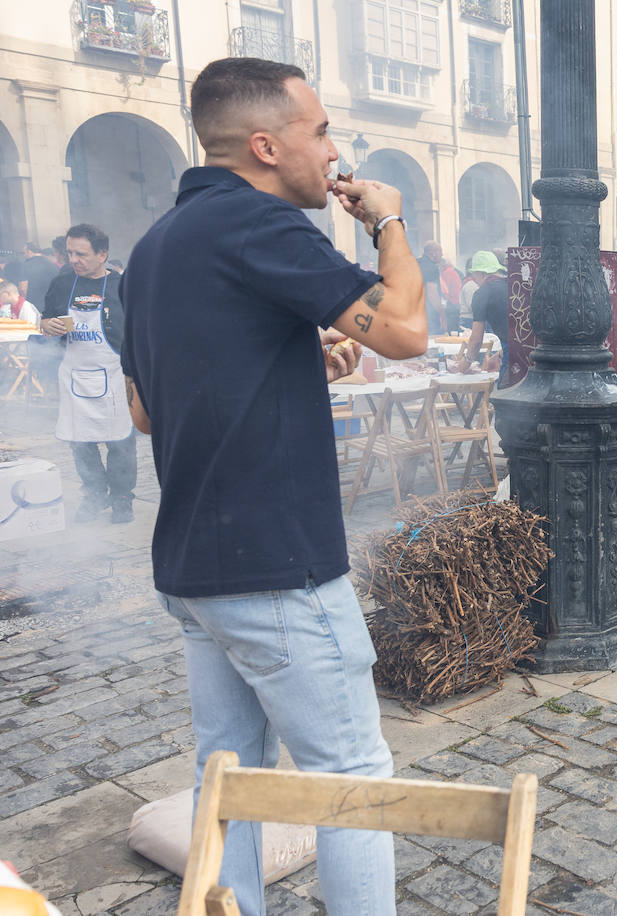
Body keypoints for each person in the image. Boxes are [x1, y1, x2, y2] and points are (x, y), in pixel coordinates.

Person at [120, 56, 427, 916]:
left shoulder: (151, 251)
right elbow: (404, 328)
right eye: (320, 130)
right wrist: (389, 224)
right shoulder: (262, 226)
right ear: (264, 145)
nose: (334, 149)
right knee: (353, 782)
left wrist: (289, 364)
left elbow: (150, 410)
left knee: (227, 778)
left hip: (194, 568)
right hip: (277, 564)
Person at [37, 224, 137, 524]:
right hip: (74, 373)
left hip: (115, 373)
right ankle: (94, 493)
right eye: (69, 253)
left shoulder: (123, 285)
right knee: (80, 441)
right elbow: (47, 319)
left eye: (81, 254)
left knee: (121, 441)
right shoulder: (62, 283)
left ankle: (121, 498)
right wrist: (47, 326)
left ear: (102, 254)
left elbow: (139, 332)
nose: (73, 260)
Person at [457, 250, 509, 378]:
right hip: (530, 350)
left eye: (474, 276)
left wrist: (465, 363)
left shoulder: (482, 293)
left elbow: (476, 340)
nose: (474, 281)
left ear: (482, 273)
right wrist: (499, 354)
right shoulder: (512, 284)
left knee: (502, 392)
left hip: (511, 353)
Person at [19, 241, 58, 308]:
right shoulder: (52, 264)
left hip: (33, 304)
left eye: (24, 252)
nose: (23, 255)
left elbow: (23, 288)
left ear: (29, 251)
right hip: (50, 303)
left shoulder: (26, 265)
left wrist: (23, 304)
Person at [418, 240, 446, 334]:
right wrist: (442, 315)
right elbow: (432, 294)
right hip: (429, 318)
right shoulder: (431, 267)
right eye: (440, 251)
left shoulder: (415, 263)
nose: (442, 254)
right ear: (432, 252)